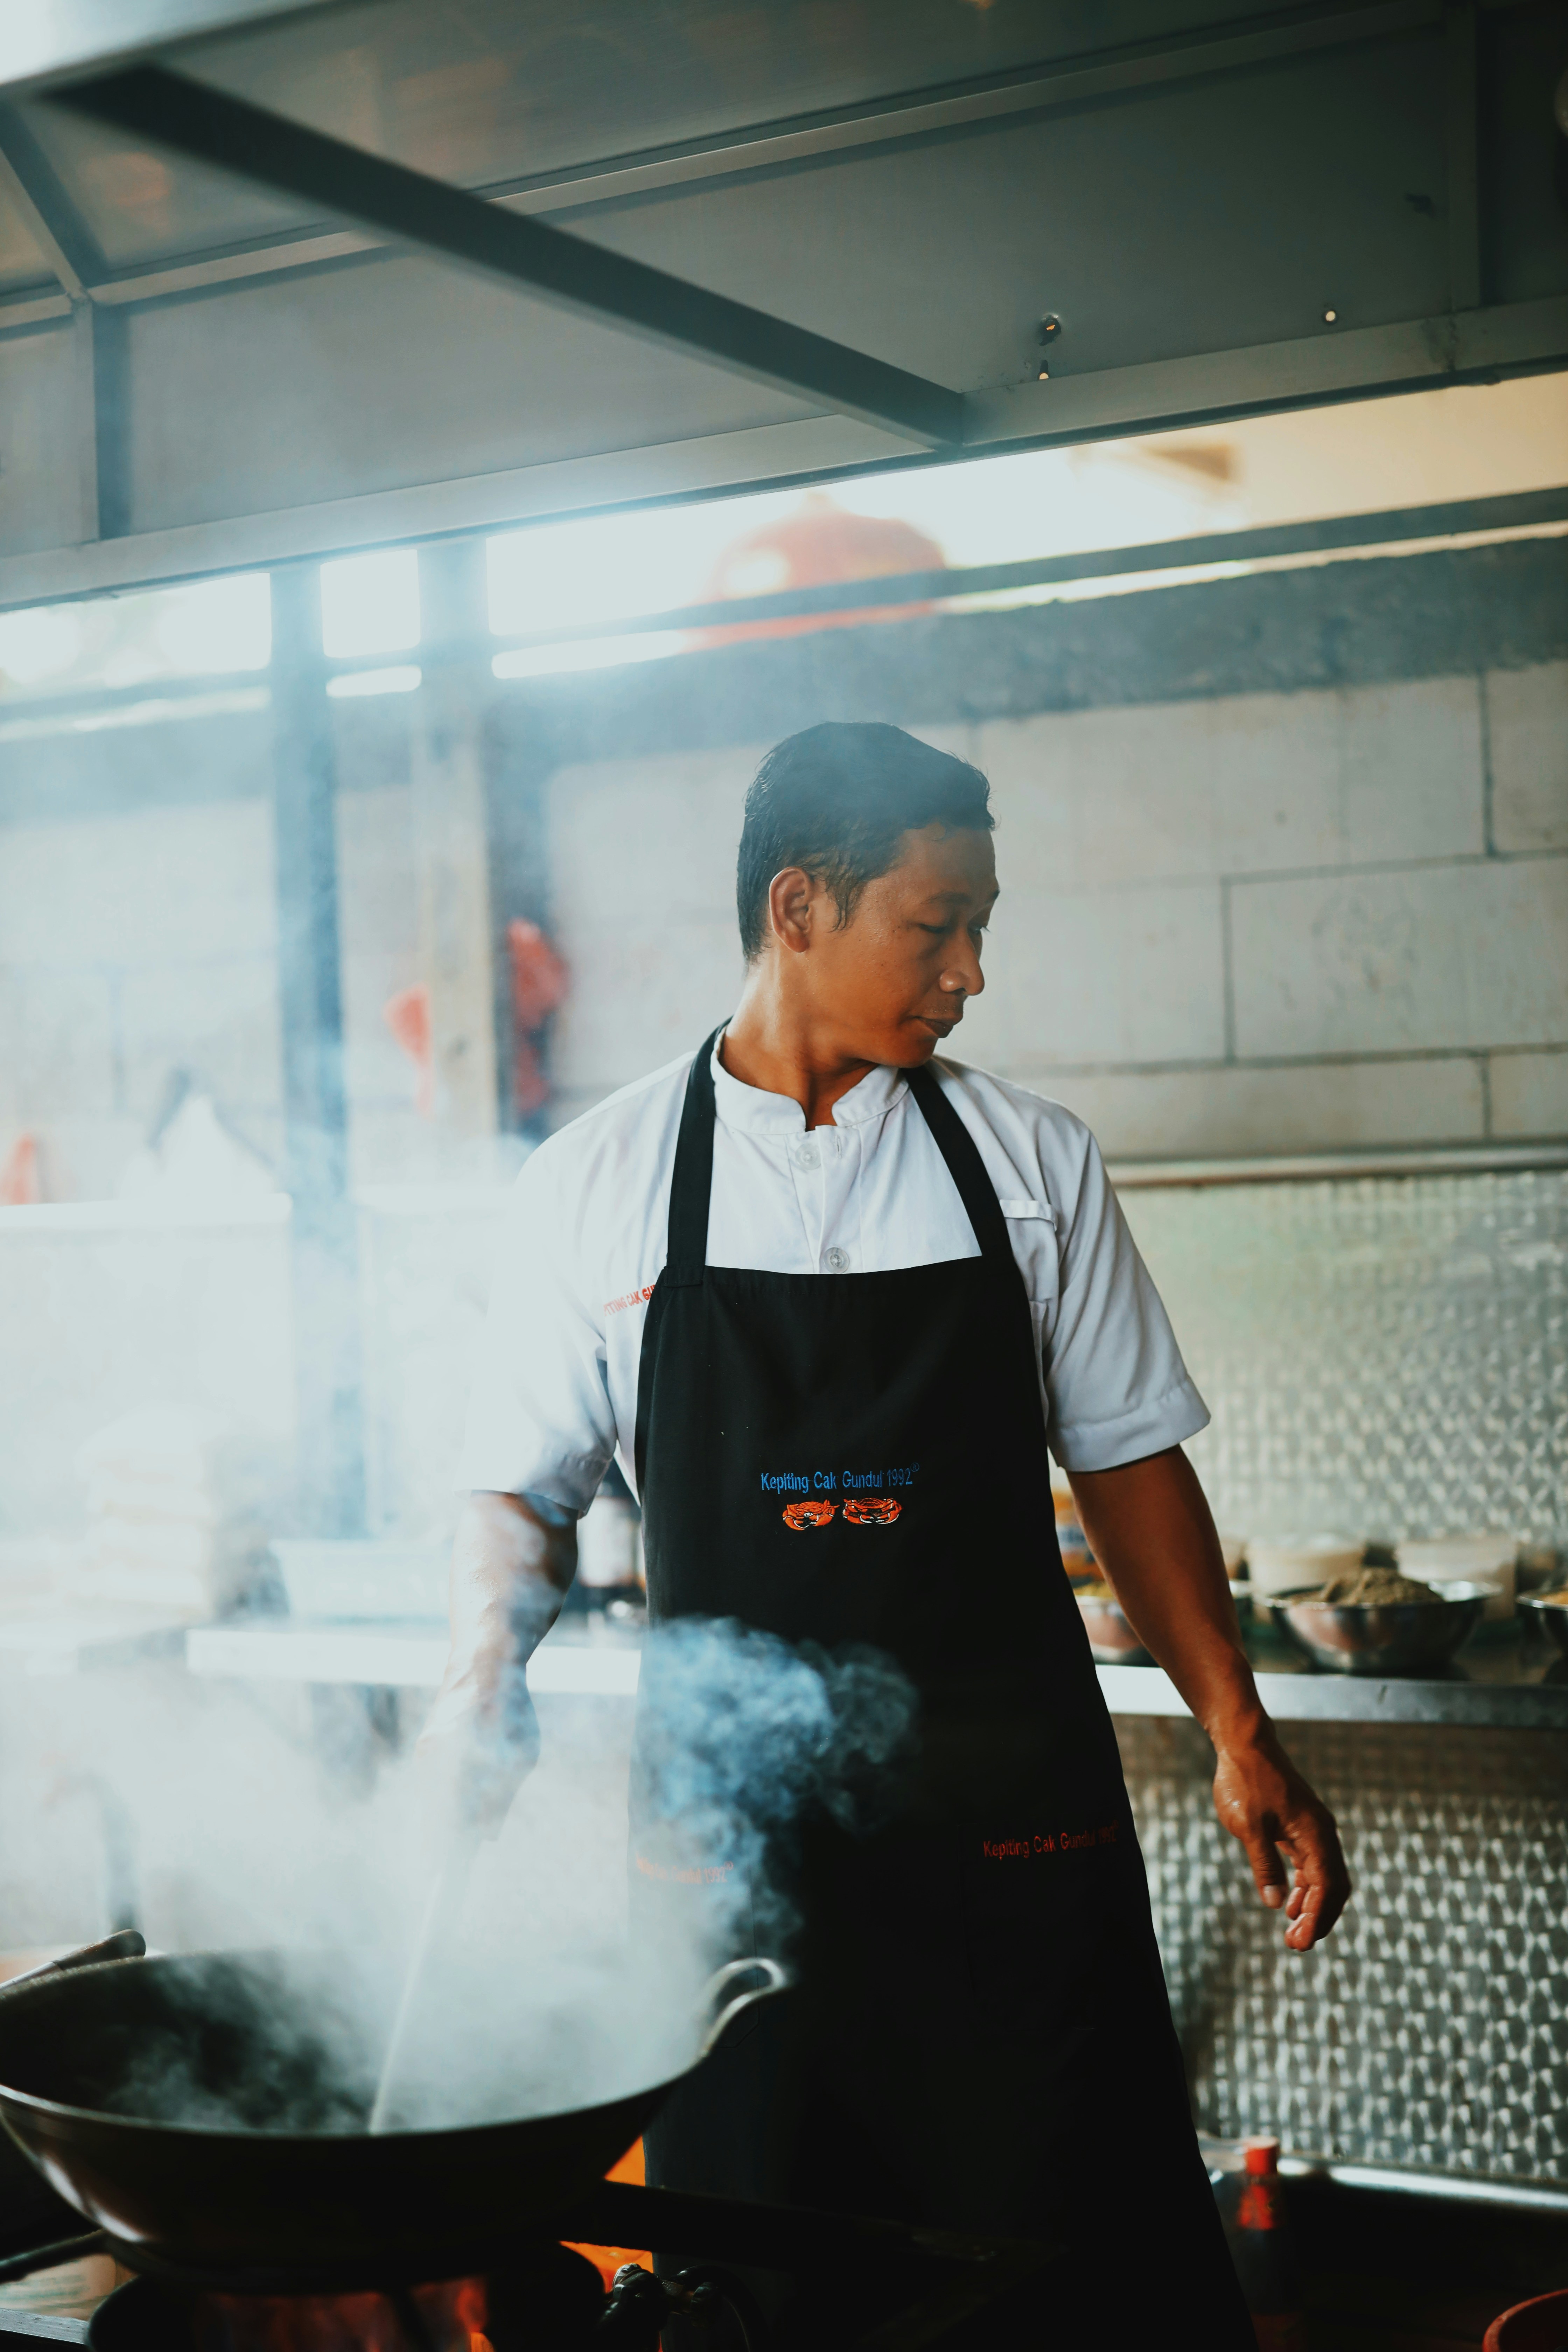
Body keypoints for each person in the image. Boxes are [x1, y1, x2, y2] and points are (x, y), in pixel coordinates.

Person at [422, 721, 1349, 2344]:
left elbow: (1131, 1462)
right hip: (737, 1861)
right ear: (798, 910)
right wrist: (476, 1670)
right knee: (757, 2273)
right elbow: (517, 1489)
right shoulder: (601, 1182)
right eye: (938, 925)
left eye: (983, 925)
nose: (972, 973)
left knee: (1070, 2266)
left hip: (1013, 1845)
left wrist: (1237, 1723)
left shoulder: (1031, 1164)